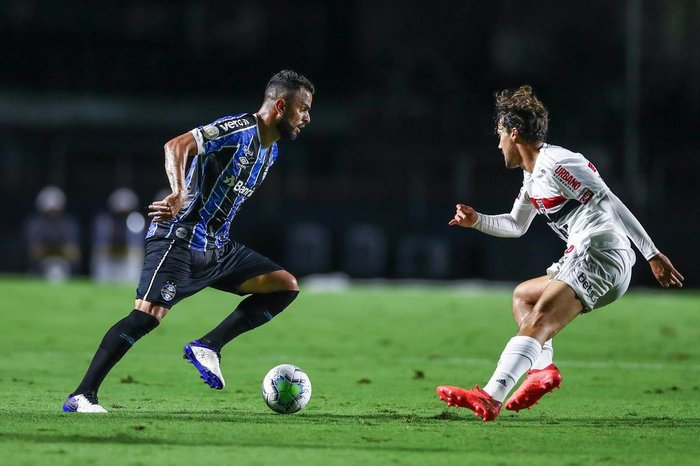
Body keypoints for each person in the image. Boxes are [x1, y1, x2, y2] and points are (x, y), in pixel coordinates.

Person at [63, 70, 314, 413]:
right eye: (303, 109)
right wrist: (179, 191)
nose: (307, 118)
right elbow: (177, 145)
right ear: (282, 105)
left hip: (217, 248)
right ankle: (82, 396)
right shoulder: (239, 129)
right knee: (146, 317)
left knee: (284, 285)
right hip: (178, 240)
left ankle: (209, 346)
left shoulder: (270, 153)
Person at [436, 85, 684, 422]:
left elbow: (609, 200)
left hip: (600, 253)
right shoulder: (532, 176)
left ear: (514, 133)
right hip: (587, 257)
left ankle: (491, 396)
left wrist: (652, 253)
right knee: (523, 297)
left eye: (500, 136)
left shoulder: (557, 163)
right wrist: (477, 220)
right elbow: (515, 224)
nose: (498, 145)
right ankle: (542, 371)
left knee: (538, 321)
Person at [24, 185, 81, 281]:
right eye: (50, 210)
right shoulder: (35, 224)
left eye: (55, 210)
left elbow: (74, 253)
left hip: (63, 264)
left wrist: (48, 250)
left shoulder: (68, 224)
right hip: (38, 266)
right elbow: (34, 252)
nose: (53, 213)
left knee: (57, 271)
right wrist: (59, 250)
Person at [90, 187, 145, 283]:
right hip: (108, 257)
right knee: (99, 258)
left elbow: (137, 247)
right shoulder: (104, 220)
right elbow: (100, 245)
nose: (121, 215)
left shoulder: (136, 219)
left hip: (127, 258)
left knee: (135, 259)